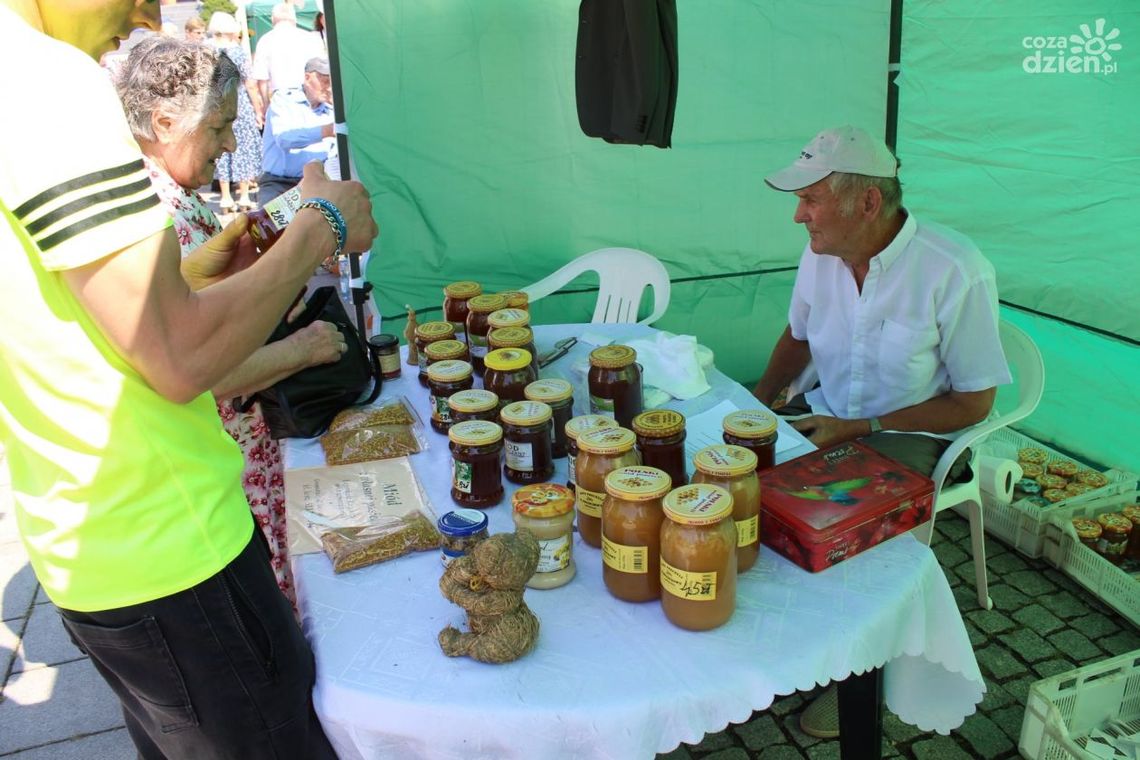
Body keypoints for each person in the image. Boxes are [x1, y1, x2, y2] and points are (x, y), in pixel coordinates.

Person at [0, 1, 377, 757]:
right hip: (174, 547)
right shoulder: (46, 83)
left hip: (92, 544)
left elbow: (88, 322)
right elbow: (179, 359)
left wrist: (194, 290)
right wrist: (319, 227)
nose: (145, 12)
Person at [753, 125, 1011, 738]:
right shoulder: (822, 258)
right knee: (740, 479)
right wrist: (759, 402)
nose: (798, 216)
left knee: (835, 520)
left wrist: (865, 425)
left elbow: (975, 401)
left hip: (912, 437)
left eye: (811, 200)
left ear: (867, 202)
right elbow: (798, 337)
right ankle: (798, 636)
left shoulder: (955, 270)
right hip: (832, 420)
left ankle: (861, 682)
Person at [116, 35, 345, 607]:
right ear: (166, 121)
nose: (229, 144)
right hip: (218, 471)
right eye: (218, 128)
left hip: (234, 454)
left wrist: (290, 223)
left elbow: (222, 270)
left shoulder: (170, 192)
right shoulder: (155, 212)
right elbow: (207, 368)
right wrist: (306, 348)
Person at [207, 10, 263, 212]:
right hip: (239, 104)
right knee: (243, 147)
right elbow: (250, 84)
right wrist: (258, 109)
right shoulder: (237, 51)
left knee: (219, 149)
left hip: (213, 106)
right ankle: (245, 196)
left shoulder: (206, 49)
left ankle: (225, 197)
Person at [259, 56, 335, 205]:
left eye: (333, 82)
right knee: (268, 225)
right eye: (325, 81)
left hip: (315, 184)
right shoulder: (284, 99)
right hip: (279, 183)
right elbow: (285, 139)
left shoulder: (331, 109)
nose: (329, 87)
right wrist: (328, 130)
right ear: (308, 78)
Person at [251, 2, 325, 120]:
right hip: (309, 94)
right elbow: (322, 70)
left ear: (273, 19)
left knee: (282, 136)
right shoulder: (309, 38)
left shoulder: (265, 41)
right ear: (294, 19)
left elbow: (262, 79)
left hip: (281, 99)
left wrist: (266, 105)